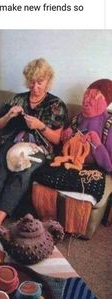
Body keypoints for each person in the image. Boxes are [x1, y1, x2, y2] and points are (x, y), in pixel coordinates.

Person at [0, 58, 68, 227]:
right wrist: (9, 115)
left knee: (22, 170)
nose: (35, 86)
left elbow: (57, 139)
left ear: (48, 82)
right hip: (13, 143)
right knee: (0, 166)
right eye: (32, 82)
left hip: (38, 148)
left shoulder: (56, 104)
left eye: (40, 82)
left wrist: (41, 126)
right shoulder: (18, 99)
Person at [33, 79, 112, 235]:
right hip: (71, 163)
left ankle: (72, 227)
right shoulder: (78, 119)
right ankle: (47, 218)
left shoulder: (109, 125)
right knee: (41, 174)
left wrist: (97, 144)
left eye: (93, 97)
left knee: (84, 186)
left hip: (94, 169)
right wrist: (66, 137)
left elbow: (109, 166)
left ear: (106, 102)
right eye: (86, 95)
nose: (86, 100)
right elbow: (65, 150)